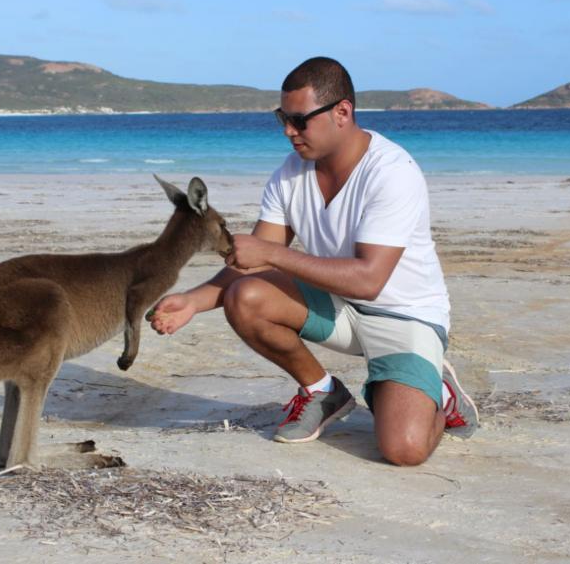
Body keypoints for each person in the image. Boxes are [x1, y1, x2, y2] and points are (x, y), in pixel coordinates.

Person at [147, 57, 478, 466]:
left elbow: (369, 280)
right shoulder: (289, 174)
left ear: (342, 112)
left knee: (404, 450)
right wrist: (194, 301)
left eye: (299, 120)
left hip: (404, 317)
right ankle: (322, 391)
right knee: (245, 295)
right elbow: (250, 260)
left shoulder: (392, 172)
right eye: (281, 118)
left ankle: (440, 393)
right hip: (337, 306)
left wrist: (271, 253)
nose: (288, 131)